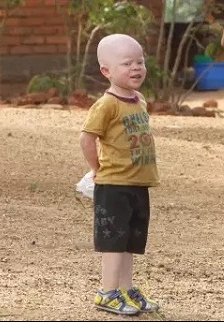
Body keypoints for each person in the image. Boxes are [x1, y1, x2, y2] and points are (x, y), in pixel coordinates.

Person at [79, 34, 160, 315]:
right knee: (114, 240)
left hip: (138, 184)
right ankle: (107, 292)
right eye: (127, 63)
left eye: (140, 61)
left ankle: (125, 289)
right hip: (113, 184)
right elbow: (87, 138)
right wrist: (96, 169)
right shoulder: (106, 105)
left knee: (130, 240)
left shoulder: (139, 100)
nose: (136, 67)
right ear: (106, 71)